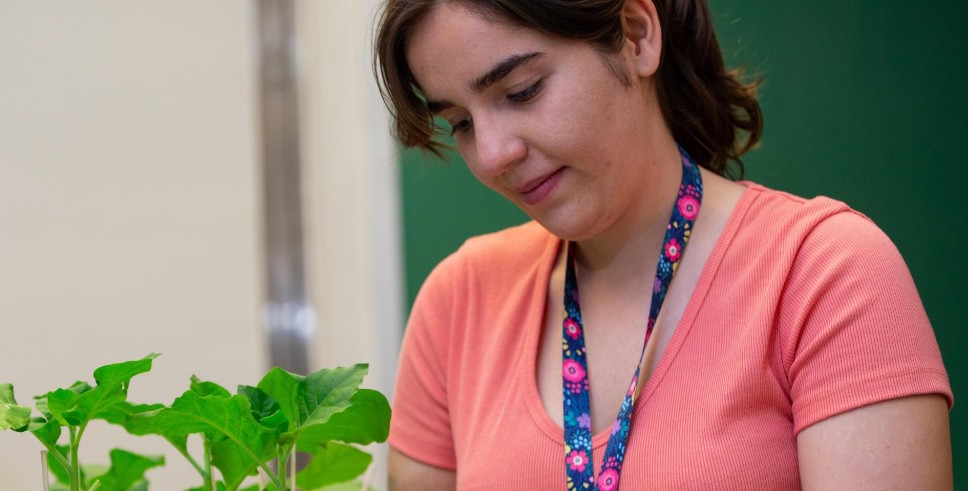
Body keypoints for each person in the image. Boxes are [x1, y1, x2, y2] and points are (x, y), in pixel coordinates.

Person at [373, 0, 954, 489]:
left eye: (521, 91)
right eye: (462, 123)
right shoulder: (459, 301)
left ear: (636, 34)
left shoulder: (824, 273)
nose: (494, 155)